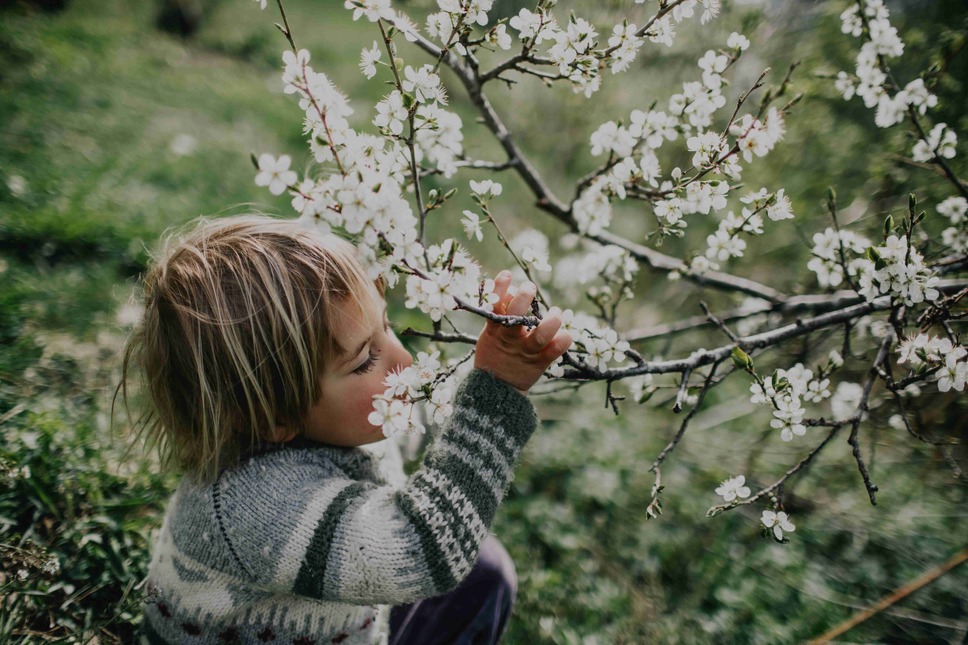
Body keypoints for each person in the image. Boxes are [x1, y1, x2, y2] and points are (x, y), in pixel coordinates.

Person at [119, 214, 572, 644]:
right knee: (467, 565)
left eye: (387, 325)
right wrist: (497, 391)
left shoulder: (331, 424)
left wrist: (482, 369)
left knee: (485, 575)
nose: (404, 359)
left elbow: (412, 429)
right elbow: (423, 548)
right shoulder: (255, 506)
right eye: (365, 360)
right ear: (272, 418)